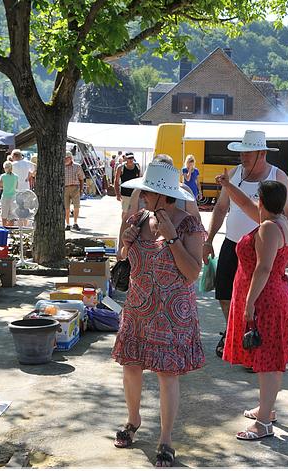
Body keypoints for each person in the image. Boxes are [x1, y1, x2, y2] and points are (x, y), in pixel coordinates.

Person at [111, 161, 205, 467]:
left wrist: (172, 239)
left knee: (167, 376)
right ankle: (133, 420)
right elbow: (124, 259)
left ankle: (165, 440)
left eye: (148, 192)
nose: (143, 196)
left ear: (163, 195)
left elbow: (193, 273)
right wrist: (124, 245)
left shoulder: (188, 224)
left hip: (172, 314)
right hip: (138, 308)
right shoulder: (139, 219)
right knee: (131, 367)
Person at [203, 130, 288, 358]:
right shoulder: (235, 173)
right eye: (242, 152)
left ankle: (253, 339)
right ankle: (233, 332)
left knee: (257, 298)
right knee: (225, 294)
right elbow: (223, 207)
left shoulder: (277, 176)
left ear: (262, 153)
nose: (243, 157)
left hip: (264, 247)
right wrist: (209, 239)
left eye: (248, 152)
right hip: (234, 243)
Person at [215, 174, 288, 440]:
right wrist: (227, 186)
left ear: (262, 200)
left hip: (266, 299)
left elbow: (263, 268)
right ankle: (267, 410)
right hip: (275, 296)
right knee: (272, 357)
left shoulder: (268, 228)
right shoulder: (277, 220)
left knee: (268, 362)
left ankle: (263, 424)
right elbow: (246, 205)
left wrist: (249, 303)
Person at [64, 151, 85, 231]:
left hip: (75, 188)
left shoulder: (77, 166)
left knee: (76, 206)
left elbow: (81, 178)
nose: (65, 159)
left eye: (67, 158)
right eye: (65, 158)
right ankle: (68, 224)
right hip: (65, 188)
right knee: (66, 208)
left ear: (71, 158)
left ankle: (75, 223)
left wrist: (81, 189)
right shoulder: (61, 166)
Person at [0, 161, 19, 227]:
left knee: (4, 213)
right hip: (13, 196)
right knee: (12, 214)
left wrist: (4, 187)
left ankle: (4, 227)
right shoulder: (16, 176)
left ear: (5, 168)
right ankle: (10, 229)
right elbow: (16, 186)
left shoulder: (3, 176)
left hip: (5, 196)